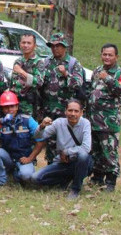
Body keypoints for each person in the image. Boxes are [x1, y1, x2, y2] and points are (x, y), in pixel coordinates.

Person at [31, 99, 93, 199]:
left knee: (83, 155)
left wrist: (66, 151)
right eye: (70, 110)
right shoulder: (59, 123)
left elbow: (86, 148)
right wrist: (42, 126)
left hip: (79, 162)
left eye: (76, 111)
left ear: (81, 113)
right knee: (35, 178)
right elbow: (38, 136)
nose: (73, 114)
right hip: (63, 162)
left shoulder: (85, 123)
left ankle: (75, 189)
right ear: (65, 111)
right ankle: (65, 179)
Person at [87, 43, 121, 193]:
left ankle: (111, 180)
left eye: (110, 55)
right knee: (96, 150)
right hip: (94, 119)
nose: (107, 57)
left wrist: (108, 79)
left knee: (109, 151)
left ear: (116, 57)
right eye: (104, 54)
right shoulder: (97, 70)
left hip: (109, 121)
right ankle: (97, 177)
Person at [39, 32, 84, 161]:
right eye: (52, 46)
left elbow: (78, 84)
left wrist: (66, 74)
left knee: (66, 141)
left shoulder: (73, 63)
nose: (55, 48)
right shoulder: (47, 62)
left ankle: (66, 171)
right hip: (48, 109)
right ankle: (51, 168)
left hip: (66, 112)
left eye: (58, 46)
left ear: (65, 47)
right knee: (50, 141)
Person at [0, 91, 41, 188]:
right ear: (2, 109)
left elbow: (41, 140)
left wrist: (30, 158)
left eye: (12, 106)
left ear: (17, 106)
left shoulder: (28, 120)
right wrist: (1, 123)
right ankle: (1, 179)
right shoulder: (0, 121)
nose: (9, 110)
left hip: (24, 158)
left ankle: (16, 173)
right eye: (6, 107)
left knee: (26, 176)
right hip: (8, 158)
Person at [9, 33, 45, 117]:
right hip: (15, 104)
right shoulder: (18, 61)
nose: (25, 45)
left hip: (29, 106)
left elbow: (39, 82)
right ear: (20, 44)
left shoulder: (38, 62)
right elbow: (13, 83)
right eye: (23, 42)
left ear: (34, 46)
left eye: (29, 43)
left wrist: (22, 72)